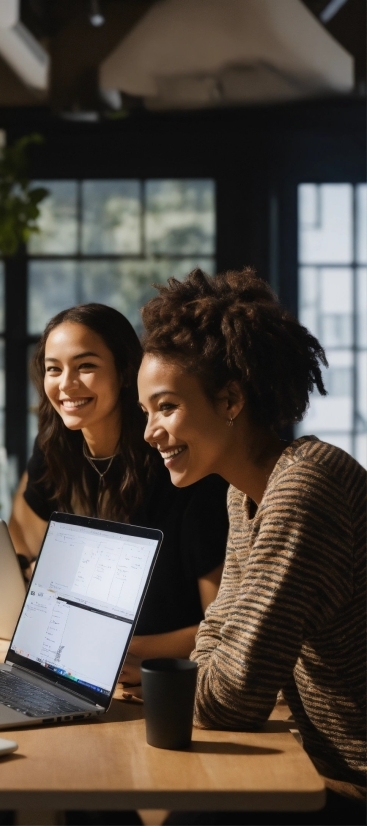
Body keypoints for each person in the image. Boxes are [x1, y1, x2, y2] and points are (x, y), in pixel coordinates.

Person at [138, 268, 365, 824]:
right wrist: (208, 672)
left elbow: (230, 699)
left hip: (351, 787)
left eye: (165, 407)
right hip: (315, 767)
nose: (149, 431)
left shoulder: (305, 487)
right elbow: (218, 628)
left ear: (231, 399)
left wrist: (204, 676)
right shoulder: (245, 496)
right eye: (146, 412)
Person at [9, 304, 229, 677]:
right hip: (78, 665)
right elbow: (21, 544)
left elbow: (222, 628)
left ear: (126, 372)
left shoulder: (179, 468)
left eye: (86, 366)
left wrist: (118, 649)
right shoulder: (54, 453)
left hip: (163, 679)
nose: (66, 384)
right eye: (53, 369)